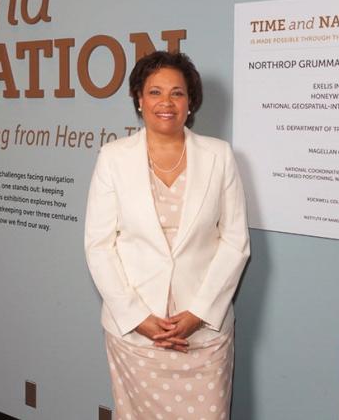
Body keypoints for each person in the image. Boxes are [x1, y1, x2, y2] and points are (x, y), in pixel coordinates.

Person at [85, 50, 250, 420]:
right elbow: (99, 246)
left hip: (203, 334)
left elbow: (235, 241)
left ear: (190, 102)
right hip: (136, 333)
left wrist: (200, 312)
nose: (166, 102)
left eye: (177, 93)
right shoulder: (113, 158)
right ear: (138, 99)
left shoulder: (219, 156)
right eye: (155, 92)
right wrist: (137, 317)